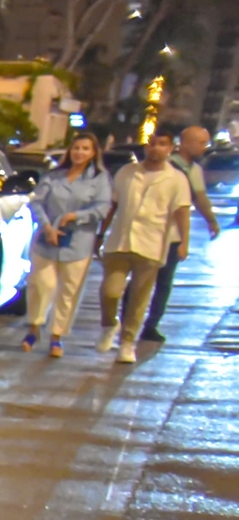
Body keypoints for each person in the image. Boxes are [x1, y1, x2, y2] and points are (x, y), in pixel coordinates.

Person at [97, 130, 193, 364]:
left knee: (139, 297)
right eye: (152, 144)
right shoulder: (128, 172)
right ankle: (110, 325)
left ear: (170, 148)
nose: (156, 149)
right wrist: (100, 233)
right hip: (120, 241)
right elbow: (113, 205)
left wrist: (183, 242)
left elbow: (181, 212)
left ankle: (128, 343)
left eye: (162, 144)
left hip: (152, 244)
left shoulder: (176, 179)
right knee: (110, 291)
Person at [21, 131, 109, 359]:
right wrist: (48, 226)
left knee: (68, 291)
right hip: (47, 240)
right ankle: (33, 328)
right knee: (41, 284)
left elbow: (102, 208)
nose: (80, 153)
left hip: (78, 242)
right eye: (76, 148)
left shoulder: (99, 179)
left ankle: (56, 336)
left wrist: (76, 216)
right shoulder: (54, 175)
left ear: (93, 153)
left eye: (85, 149)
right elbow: (36, 202)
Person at [136, 124, 222, 343]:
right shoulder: (167, 167)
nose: (205, 147)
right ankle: (130, 320)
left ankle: (151, 324)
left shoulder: (194, 170)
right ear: (185, 143)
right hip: (150, 233)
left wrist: (209, 221)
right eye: (202, 143)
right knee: (140, 280)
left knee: (164, 283)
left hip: (172, 237)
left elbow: (199, 198)